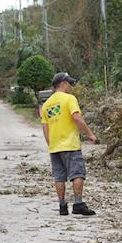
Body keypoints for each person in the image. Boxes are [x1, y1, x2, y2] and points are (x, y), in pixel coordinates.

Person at [41, 72, 98, 216]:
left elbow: (45, 128)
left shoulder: (46, 104)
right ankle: (78, 203)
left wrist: (51, 144)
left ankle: (62, 206)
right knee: (77, 173)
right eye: (69, 83)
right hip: (70, 145)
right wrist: (90, 134)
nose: (71, 86)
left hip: (55, 147)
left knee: (59, 176)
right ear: (63, 83)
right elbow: (77, 118)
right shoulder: (69, 99)